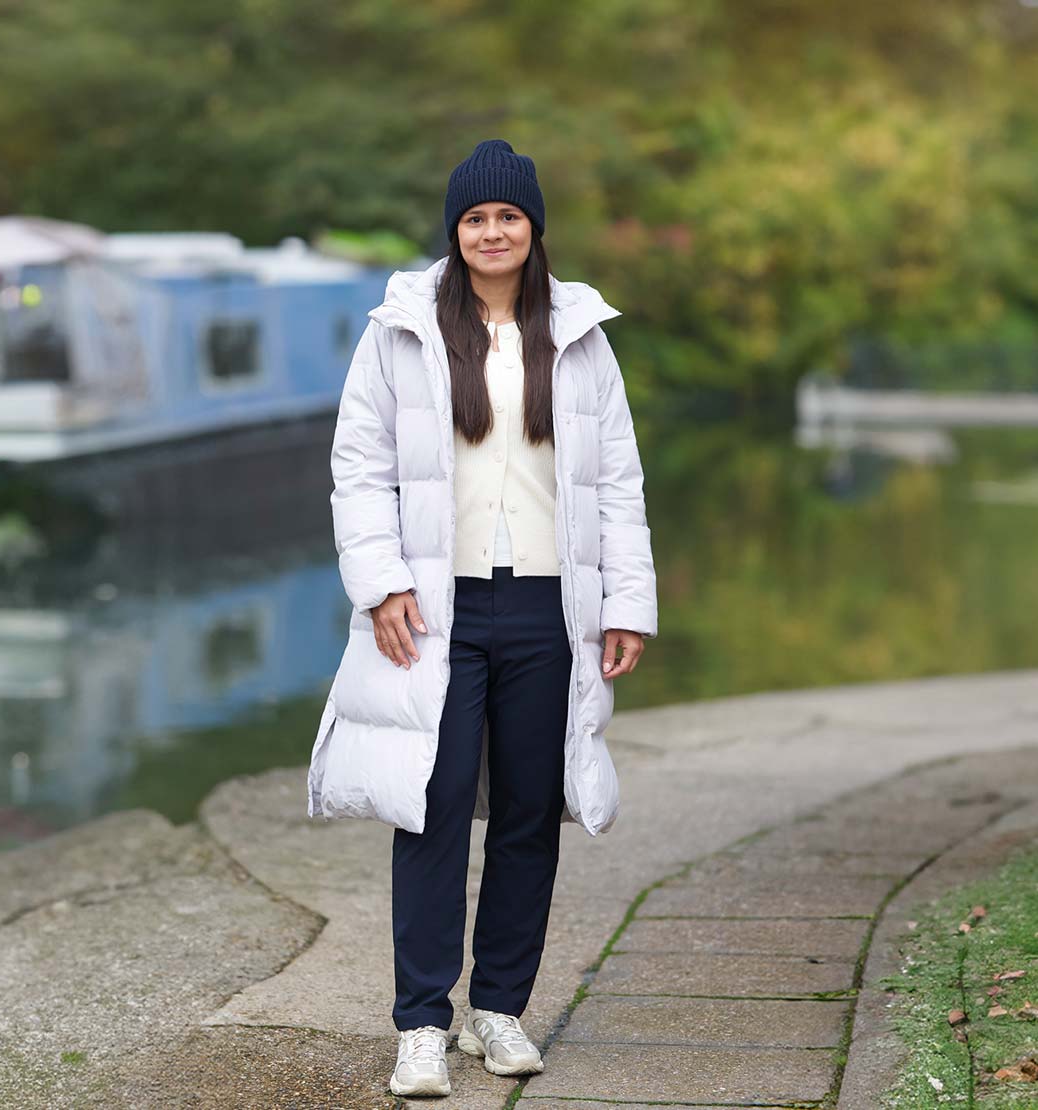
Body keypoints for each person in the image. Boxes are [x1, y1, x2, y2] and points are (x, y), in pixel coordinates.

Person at [307, 138, 658, 1099]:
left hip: (551, 608)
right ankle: (421, 1023)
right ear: (455, 232)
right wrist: (380, 584)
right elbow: (358, 465)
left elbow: (616, 480)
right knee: (430, 806)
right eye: (475, 218)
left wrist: (626, 602)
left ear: (533, 228)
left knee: (529, 813)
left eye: (508, 216)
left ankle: (497, 1011)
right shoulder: (400, 330)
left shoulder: (581, 335)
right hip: (437, 607)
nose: (492, 232)